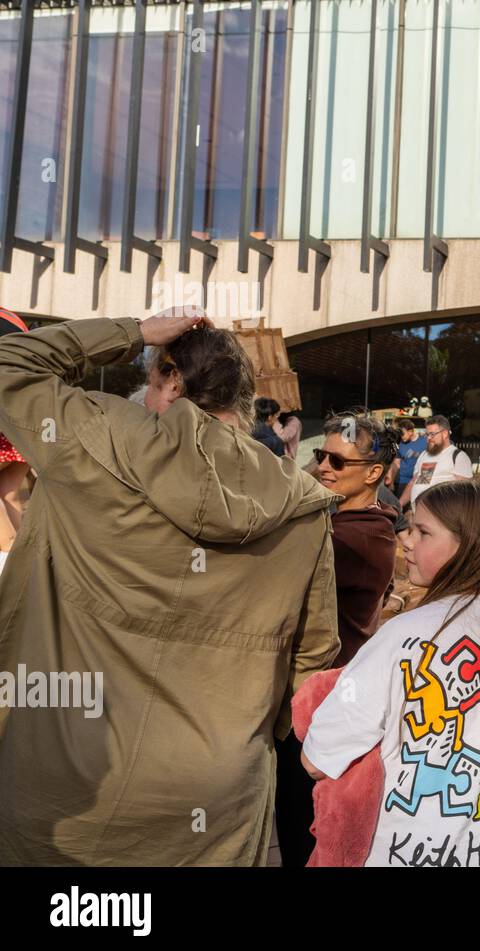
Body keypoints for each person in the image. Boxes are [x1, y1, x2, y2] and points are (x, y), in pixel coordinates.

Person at [0, 309, 340, 865]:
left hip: (66, 775)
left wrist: (135, 331)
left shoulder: (94, 437)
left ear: (173, 381)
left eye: (153, 378)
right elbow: (313, 656)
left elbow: (10, 360)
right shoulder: (303, 505)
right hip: (214, 795)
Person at [301, 477, 480, 867]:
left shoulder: (405, 635)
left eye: (423, 531)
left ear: (466, 546)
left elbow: (318, 758)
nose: (406, 540)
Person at [277, 410, 401, 867]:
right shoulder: (335, 519)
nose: (324, 466)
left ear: (373, 474)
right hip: (311, 694)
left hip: (324, 701)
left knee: (305, 829)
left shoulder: (364, 535)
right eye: (320, 455)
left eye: (337, 461)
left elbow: (285, 560)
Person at [0, 307, 31, 579]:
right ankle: (18, 556)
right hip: (19, 426)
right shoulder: (12, 321)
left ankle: (8, 554)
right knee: (10, 494)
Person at [400, 415, 472, 508]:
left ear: (445, 433)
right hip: (419, 515)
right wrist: (400, 504)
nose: (428, 438)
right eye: (427, 434)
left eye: (432, 434)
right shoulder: (424, 455)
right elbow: (417, 482)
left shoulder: (458, 457)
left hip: (442, 518)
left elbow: (465, 494)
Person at [387, 418, 426, 499]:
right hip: (402, 482)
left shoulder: (425, 441)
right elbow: (396, 464)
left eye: (403, 434)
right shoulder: (400, 444)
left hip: (419, 481)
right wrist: (391, 481)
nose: (401, 437)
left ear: (411, 431)